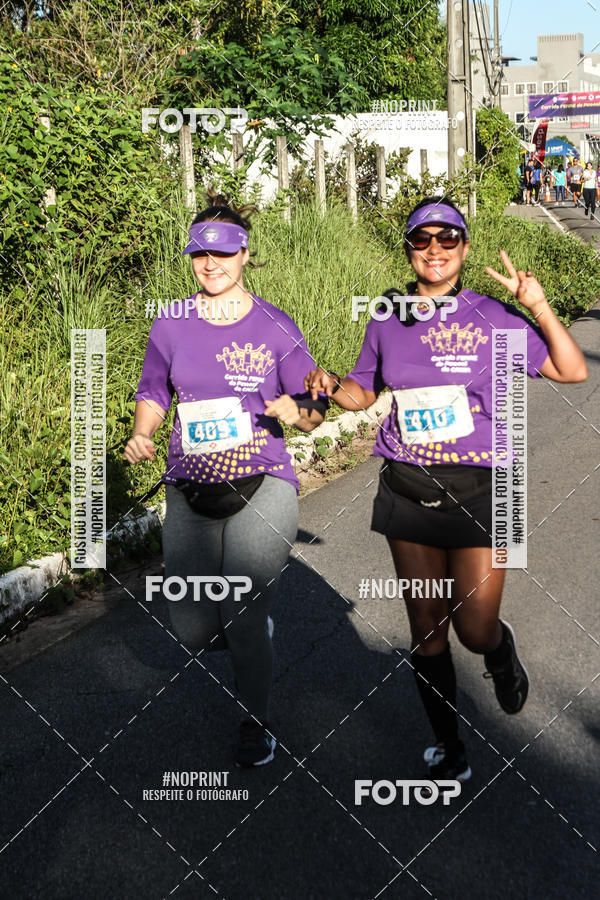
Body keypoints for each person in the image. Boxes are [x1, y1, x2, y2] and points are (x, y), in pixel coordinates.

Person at [305, 196, 588, 782]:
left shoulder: (493, 316)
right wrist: (331, 384)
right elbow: (364, 391)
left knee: (475, 627)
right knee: (428, 630)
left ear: (464, 246)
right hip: (407, 486)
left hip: (488, 487)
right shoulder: (388, 315)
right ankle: (448, 745)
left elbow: (572, 370)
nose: (434, 249)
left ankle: (500, 651)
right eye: (421, 239)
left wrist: (536, 305)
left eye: (447, 238)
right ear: (409, 248)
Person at [125, 193, 327, 767]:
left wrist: (300, 410)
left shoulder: (275, 326)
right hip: (189, 486)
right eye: (199, 255)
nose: (210, 264)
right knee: (192, 629)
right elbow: (153, 391)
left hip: (263, 483)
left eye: (222, 254)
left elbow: (314, 403)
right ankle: (249, 636)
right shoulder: (171, 323)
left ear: (244, 254)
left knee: (242, 610)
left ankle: (256, 722)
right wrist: (143, 432)